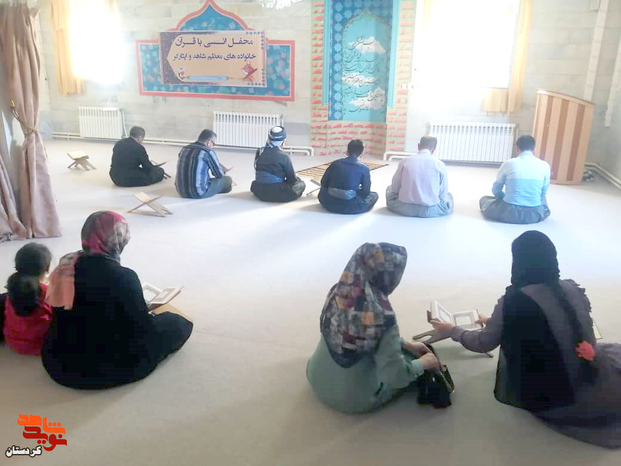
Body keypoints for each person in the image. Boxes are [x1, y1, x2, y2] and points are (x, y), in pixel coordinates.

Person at [431, 231, 621, 448]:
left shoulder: (512, 301)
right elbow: (558, 321)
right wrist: (496, 320)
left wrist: (452, 330)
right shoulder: (571, 288)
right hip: (588, 366)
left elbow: (482, 343)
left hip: (553, 395)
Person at [42, 211, 193, 389]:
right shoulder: (124, 277)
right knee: (178, 323)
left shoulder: (66, 265)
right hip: (109, 368)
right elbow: (140, 329)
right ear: (117, 240)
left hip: (60, 363)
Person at [307, 243, 440, 413]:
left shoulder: (338, 290)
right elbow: (395, 377)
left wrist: (403, 343)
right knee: (409, 363)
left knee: (397, 353)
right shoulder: (383, 316)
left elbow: (352, 333)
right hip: (353, 401)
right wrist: (424, 363)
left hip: (314, 376)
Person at [479, 135, 551, 224]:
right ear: (534, 150)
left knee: (484, 200)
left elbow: (496, 189)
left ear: (517, 149)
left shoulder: (508, 164)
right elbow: (543, 193)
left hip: (510, 213)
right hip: (534, 214)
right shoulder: (545, 166)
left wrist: (502, 198)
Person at [2, 243, 53, 355]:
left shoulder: (12, 288)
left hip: (12, 342)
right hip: (40, 345)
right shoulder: (46, 291)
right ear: (47, 268)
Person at [386, 136, 453, 218]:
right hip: (430, 210)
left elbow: (395, 187)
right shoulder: (440, 164)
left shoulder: (404, 162)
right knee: (448, 196)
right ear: (434, 149)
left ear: (418, 146)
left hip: (404, 208)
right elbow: (442, 193)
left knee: (389, 189)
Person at [318, 140, 379, 214]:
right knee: (374, 195)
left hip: (328, 203)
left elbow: (323, 182)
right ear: (362, 154)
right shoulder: (364, 168)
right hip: (350, 207)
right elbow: (365, 192)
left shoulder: (335, 163)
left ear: (347, 151)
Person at [251, 126, 306, 202]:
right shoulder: (284, 156)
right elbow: (292, 180)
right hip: (277, 192)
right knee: (301, 184)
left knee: (255, 184)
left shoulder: (260, 151)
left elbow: (257, 171)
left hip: (259, 191)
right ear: (283, 142)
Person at [175, 129, 233, 199]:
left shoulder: (184, 149)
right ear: (209, 142)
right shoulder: (208, 151)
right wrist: (223, 171)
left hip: (181, 191)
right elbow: (218, 174)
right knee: (228, 180)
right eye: (213, 144)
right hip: (199, 192)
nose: (213, 146)